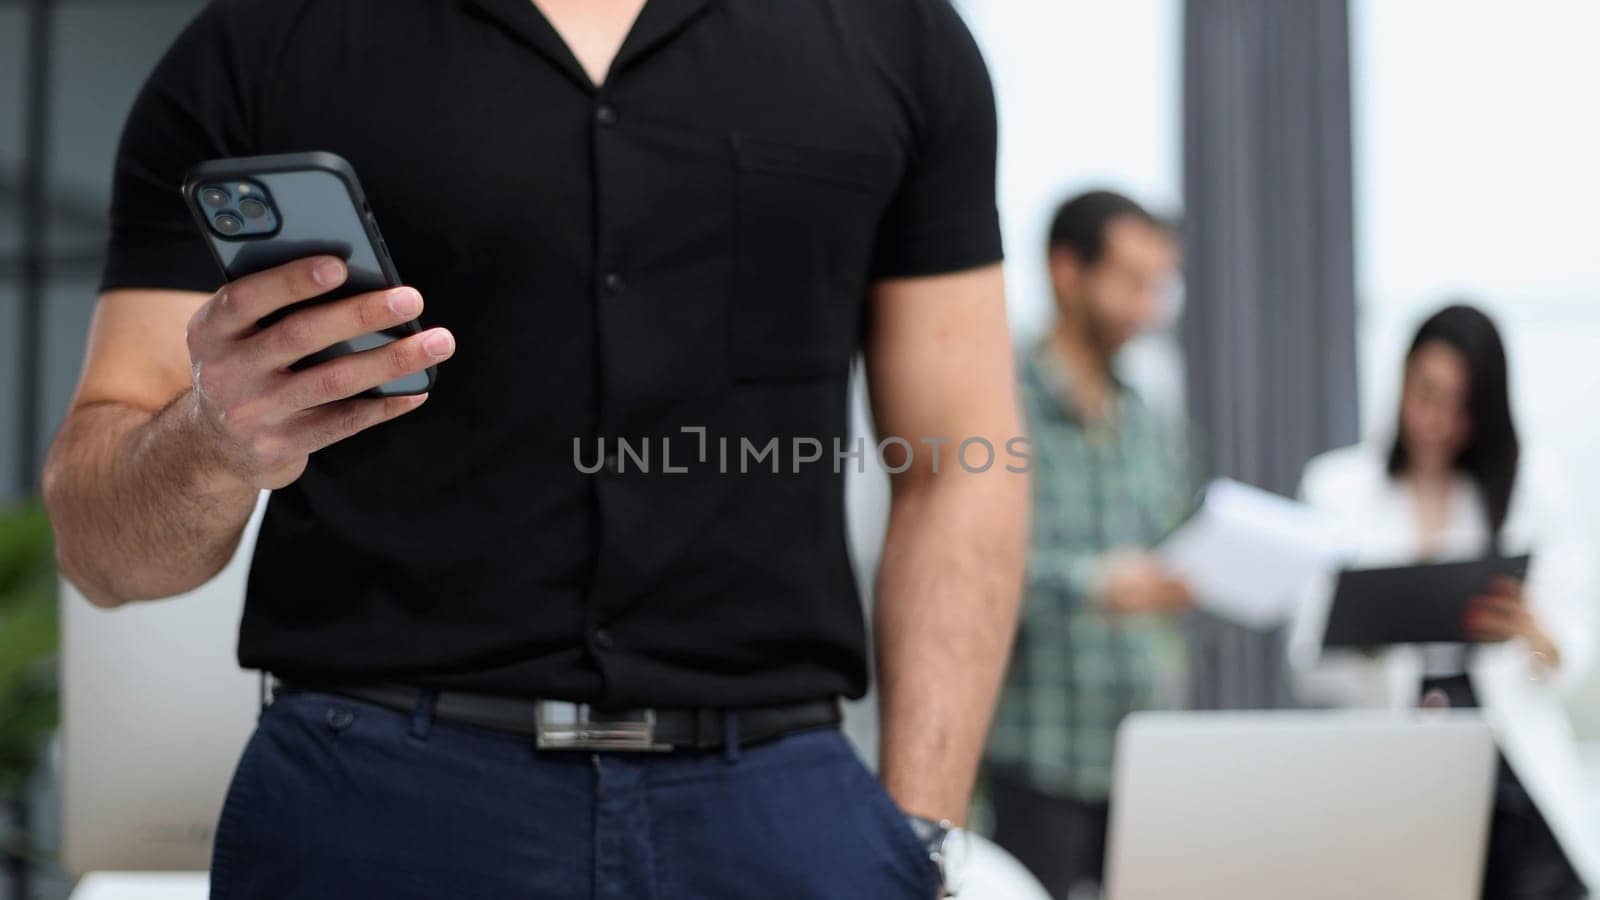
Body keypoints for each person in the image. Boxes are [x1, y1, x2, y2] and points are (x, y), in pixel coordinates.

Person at [40, 1, 1029, 896]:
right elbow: (102, 552)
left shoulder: (896, 36)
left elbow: (961, 467)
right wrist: (215, 439)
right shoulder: (262, 41)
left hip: (779, 812)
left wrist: (922, 831)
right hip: (378, 811)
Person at [1289, 304, 1600, 899]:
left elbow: (1573, 645)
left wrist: (1537, 635)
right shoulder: (1337, 488)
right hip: (1388, 760)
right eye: (1425, 394)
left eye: (1460, 405)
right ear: (1402, 381)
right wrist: (1369, 634)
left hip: (1506, 767)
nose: (1437, 420)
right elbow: (1306, 663)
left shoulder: (1532, 487)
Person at [983, 190, 1194, 898]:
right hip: (1035, 762)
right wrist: (1094, 585)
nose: (1148, 307)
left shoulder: (1145, 416)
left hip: (1142, 759)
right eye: (1132, 282)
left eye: (1158, 286)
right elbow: (966, 568)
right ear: (1067, 271)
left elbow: (1170, 541)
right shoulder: (994, 401)